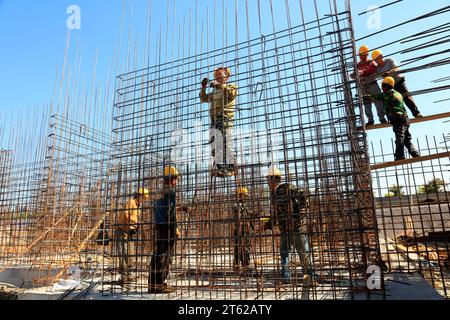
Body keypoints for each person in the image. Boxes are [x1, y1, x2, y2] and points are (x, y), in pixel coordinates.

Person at [264, 167, 312, 285]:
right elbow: (274, 213)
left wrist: (301, 209)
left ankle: (310, 277)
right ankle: (286, 278)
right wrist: (268, 224)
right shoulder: (273, 194)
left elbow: (303, 194)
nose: (268, 183)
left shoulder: (287, 187)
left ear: (274, 180)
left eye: (269, 181)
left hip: (295, 227)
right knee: (286, 254)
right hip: (284, 228)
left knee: (302, 253)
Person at [148, 166, 184, 294]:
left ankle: (153, 284)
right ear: (171, 179)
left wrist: (178, 208)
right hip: (167, 226)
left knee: (158, 254)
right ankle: (160, 285)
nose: (176, 181)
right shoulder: (170, 192)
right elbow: (170, 212)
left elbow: (163, 209)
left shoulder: (159, 191)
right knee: (165, 255)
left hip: (159, 225)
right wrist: (175, 228)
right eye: (175, 179)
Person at [200, 67, 238, 177]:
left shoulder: (232, 87)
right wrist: (203, 88)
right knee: (216, 145)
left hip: (225, 119)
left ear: (227, 77)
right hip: (214, 120)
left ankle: (231, 167)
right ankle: (220, 168)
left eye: (219, 74)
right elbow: (203, 99)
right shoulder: (215, 91)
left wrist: (217, 85)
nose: (217, 77)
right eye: (215, 75)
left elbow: (230, 93)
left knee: (226, 143)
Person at [373, 77, 421, 161]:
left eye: (383, 86)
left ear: (388, 86)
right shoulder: (397, 93)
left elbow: (379, 97)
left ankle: (400, 156)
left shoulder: (389, 94)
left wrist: (366, 97)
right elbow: (379, 96)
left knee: (399, 138)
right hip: (405, 118)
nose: (382, 88)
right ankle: (414, 154)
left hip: (398, 118)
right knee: (406, 139)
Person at [372, 50, 423, 118]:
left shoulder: (389, 61)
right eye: (376, 60)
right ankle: (402, 116)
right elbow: (373, 76)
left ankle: (416, 113)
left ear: (381, 56)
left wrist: (389, 73)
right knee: (395, 101)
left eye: (379, 58)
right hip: (390, 86)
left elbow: (397, 69)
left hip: (398, 81)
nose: (377, 60)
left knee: (406, 97)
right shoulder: (378, 68)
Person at [115, 188, 150, 284]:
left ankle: (128, 274)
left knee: (130, 252)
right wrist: (132, 225)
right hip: (122, 230)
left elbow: (133, 217)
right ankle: (124, 276)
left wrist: (135, 226)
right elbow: (126, 215)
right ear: (139, 196)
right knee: (123, 252)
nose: (145, 199)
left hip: (129, 231)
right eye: (144, 197)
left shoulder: (137, 206)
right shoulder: (131, 202)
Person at [351, 45, 387, 126]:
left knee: (378, 100)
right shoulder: (358, 64)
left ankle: (382, 118)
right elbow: (354, 74)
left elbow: (373, 69)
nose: (361, 57)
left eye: (363, 55)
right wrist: (353, 75)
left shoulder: (371, 61)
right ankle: (370, 120)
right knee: (367, 102)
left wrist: (362, 72)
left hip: (372, 83)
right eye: (360, 55)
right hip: (363, 85)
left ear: (367, 54)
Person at [232, 186, 254, 271]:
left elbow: (248, 214)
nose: (246, 197)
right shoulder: (237, 205)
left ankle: (238, 266)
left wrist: (254, 214)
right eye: (245, 195)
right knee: (243, 248)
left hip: (244, 230)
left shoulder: (243, 205)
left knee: (240, 248)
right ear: (240, 195)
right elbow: (238, 218)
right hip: (241, 230)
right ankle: (245, 266)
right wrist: (243, 226)